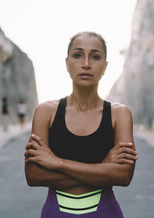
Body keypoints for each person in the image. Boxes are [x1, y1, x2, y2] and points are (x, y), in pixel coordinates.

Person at [24, 31, 138, 218]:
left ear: (105, 66)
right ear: (67, 63)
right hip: (55, 213)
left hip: (105, 212)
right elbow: (34, 176)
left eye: (95, 56)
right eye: (77, 55)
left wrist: (57, 162)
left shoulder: (119, 114)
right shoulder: (46, 112)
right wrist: (103, 168)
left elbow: (123, 176)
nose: (86, 64)